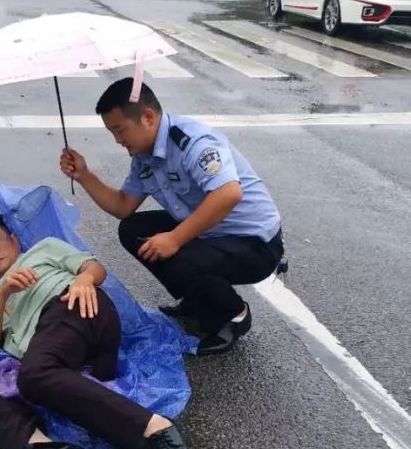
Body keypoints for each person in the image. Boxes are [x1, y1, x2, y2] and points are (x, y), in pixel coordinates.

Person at [0, 214, 196, 449]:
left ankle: (155, 429)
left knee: (34, 374)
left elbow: (94, 268)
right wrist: (2, 294)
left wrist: (83, 280)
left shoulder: (42, 251)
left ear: (14, 240)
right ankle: (42, 448)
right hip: (51, 357)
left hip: (75, 308)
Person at [60, 78, 284, 356]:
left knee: (179, 253)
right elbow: (122, 206)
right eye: (112, 133)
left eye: (119, 130)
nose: (118, 140)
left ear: (148, 117)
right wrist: (84, 175)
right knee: (133, 230)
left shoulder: (193, 142)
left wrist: (176, 238)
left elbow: (228, 194)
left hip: (255, 243)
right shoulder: (144, 157)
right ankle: (198, 297)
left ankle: (233, 315)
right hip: (212, 233)